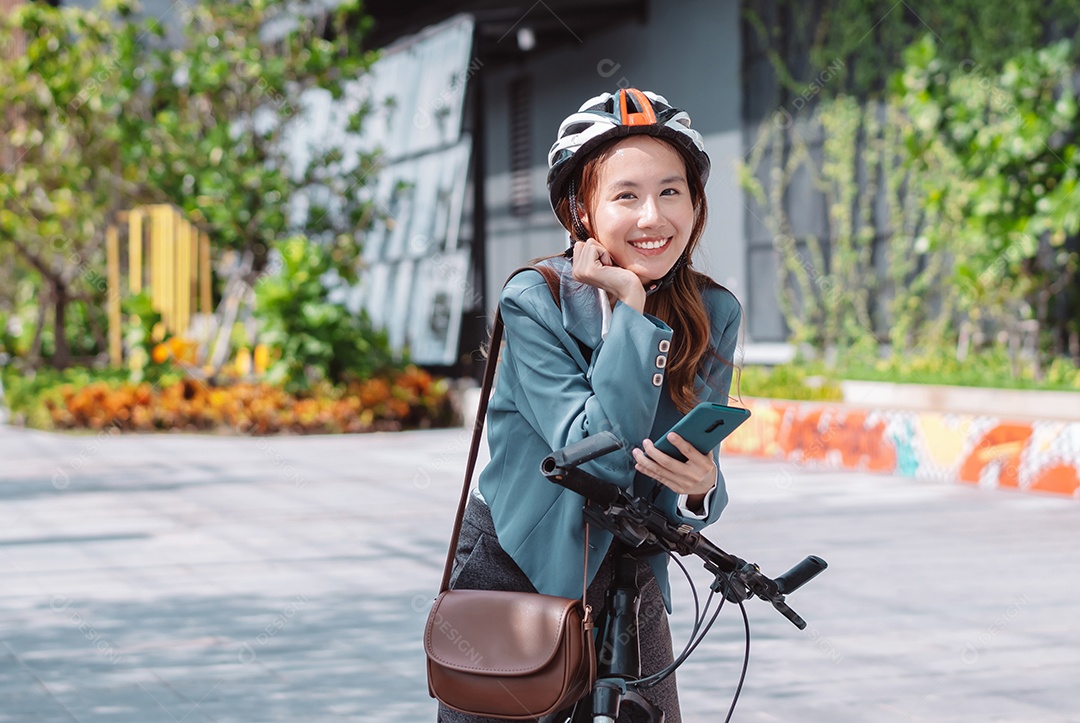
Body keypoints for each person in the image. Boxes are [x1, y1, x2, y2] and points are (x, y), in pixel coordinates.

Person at [438, 88, 741, 722]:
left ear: (695, 203)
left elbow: (694, 452)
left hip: (632, 582)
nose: (653, 217)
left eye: (671, 191)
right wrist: (630, 306)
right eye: (626, 196)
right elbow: (595, 454)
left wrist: (701, 488)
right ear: (581, 209)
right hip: (520, 569)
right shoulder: (535, 301)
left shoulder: (714, 311)